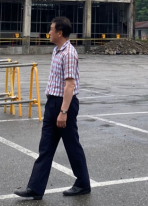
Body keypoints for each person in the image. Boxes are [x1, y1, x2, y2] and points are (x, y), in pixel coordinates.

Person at [15, 16, 91, 200]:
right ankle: (35, 188)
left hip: (64, 104)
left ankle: (83, 183)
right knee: (46, 147)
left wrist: (63, 112)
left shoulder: (69, 53)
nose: (48, 32)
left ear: (59, 32)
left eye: (51, 29)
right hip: (52, 103)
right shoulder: (57, 51)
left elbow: (70, 85)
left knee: (72, 145)